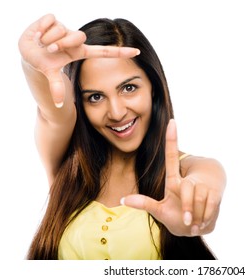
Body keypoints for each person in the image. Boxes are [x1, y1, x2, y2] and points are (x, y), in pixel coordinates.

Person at [18, 14, 226, 260]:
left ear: (153, 89)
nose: (116, 113)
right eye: (95, 97)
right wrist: (33, 64)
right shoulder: (67, 161)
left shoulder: (187, 171)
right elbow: (52, 110)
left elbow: (207, 180)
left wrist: (196, 214)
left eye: (128, 88)